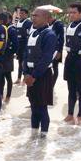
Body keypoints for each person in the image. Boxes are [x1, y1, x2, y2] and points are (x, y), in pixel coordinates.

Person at [23, 8, 57, 138]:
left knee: (42, 107)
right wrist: (26, 73)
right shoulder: (32, 33)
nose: (33, 18)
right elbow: (25, 54)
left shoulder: (50, 35)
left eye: (36, 16)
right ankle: (33, 134)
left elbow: (46, 58)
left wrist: (34, 76)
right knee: (33, 106)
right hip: (30, 74)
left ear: (46, 18)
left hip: (42, 75)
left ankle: (43, 138)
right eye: (32, 15)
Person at [0, 12, 18, 102]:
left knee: (8, 76)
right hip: (0, 56)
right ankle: (0, 95)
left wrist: (10, 53)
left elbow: (15, 45)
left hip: (7, 56)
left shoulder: (11, 29)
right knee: (0, 77)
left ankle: (8, 96)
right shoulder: (1, 28)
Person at [14, 8, 32, 84]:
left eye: (22, 13)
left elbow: (29, 34)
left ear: (26, 14)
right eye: (20, 13)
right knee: (20, 62)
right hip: (19, 45)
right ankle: (18, 78)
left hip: (25, 45)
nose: (21, 15)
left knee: (24, 62)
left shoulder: (28, 22)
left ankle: (25, 78)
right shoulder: (18, 22)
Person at [48, 15, 64, 87]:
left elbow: (61, 39)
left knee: (55, 67)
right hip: (49, 49)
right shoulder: (49, 24)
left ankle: (52, 85)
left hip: (56, 50)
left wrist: (59, 51)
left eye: (48, 19)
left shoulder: (59, 24)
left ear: (51, 17)